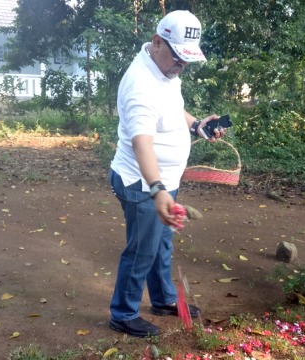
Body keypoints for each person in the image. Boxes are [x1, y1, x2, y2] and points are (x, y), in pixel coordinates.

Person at [108, 10, 226, 337]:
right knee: (142, 249)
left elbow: (173, 109)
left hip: (164, 182)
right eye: (177, 57)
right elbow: (141, 143)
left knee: (162, 243)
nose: (181, 65)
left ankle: (163, 300)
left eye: (187, 59)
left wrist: (197, 126)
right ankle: (123, 313)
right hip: (141, 182)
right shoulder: (140, 84)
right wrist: (157, 188)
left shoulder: (166, 71)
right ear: (157, 42)